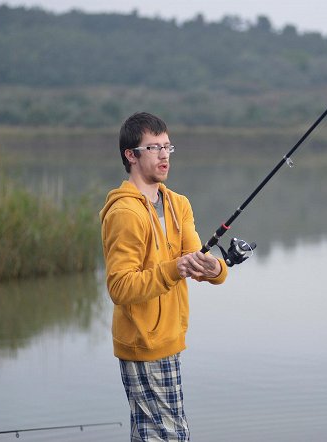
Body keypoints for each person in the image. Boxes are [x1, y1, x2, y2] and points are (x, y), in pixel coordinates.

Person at [99, 112, 228, 441]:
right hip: (143, 341)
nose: (163, 155)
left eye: (168, 147)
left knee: (154, 435)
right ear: (131, 155)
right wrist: (176, 268)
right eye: (154, 148)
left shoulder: (177, 204)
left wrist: (215, 269)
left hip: (170, 337)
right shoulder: (125, 213)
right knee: (170, 436)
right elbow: (120, 286)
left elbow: (195, 256)